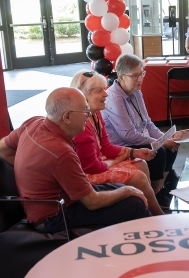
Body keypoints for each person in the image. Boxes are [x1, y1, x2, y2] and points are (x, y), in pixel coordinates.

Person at [0, 87, 151, 233]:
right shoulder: (61, 152)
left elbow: (2, 149)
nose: (88, 115)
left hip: (62, 198)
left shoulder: (32, 123)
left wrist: (30, 172)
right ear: (67, 117)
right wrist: (129, 190)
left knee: (124, 191)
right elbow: (92, 202)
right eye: (85, 110)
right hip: (52, 216)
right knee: (134, 203)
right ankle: (150, 248)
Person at [70, 70, 165, 216]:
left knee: (141, 163)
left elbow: (107, 147)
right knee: (138, 177)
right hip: (86, 174)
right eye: (99, 91)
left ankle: (146, 209)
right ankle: (158, 217)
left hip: (99, 164)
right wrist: (122, 157)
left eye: (105, 89)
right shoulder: (81, 125)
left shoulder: (95, 114)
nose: (105, 94)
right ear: (84, 96)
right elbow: (91, 167)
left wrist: (134, 153)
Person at [101, 54, 180, 207]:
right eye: (135, 75)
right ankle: (155, 194)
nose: (140, 79)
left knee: (173, 145)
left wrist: (164, 138)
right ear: (121, 77)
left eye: (142, 73)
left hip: (136, 138)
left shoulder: (136, 92)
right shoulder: (114, 97)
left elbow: (148, 123)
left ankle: (160, 187)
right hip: (122, 145)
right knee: (160, 152)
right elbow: (128, 135)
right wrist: (161, 143)